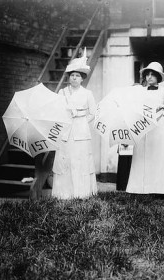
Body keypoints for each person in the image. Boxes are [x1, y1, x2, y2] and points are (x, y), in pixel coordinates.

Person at [126, 62, 164, 194]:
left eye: (152, 75)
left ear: (158, 77)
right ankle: (140, 188)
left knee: (159, 156)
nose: (149, 77)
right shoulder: (140, 91)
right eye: (147, 74)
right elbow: (136, 108)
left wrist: (159, 117)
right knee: (143, 157)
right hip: (143, 128)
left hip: (159, 128)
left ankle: (159, 189)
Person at [52, 52, 98, 199]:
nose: (74, 78)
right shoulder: (62, 92)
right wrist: (66, 116)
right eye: (72, 75)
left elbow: (93, 113)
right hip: (66, 131)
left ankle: (82, 193)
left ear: (82, 78)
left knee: (80, 160)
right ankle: (64, 194)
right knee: (66, 160)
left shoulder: (87, 93)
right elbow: (57, 111)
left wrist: (81, 119)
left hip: (81, 131)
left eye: (77, 76)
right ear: (68, 77)